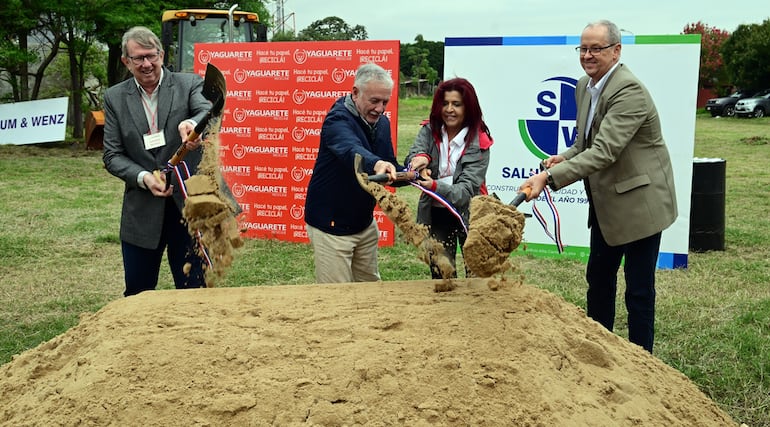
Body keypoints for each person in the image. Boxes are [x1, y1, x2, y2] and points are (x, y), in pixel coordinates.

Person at [519, 20, 677, 353]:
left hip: (640, 205)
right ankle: (600, 354)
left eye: (596, 48)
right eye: (583, 48)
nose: (588, 56)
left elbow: (605, 150)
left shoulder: (628, 90)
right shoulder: (583, 86)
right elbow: (585, 143)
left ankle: (642, 362)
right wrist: (562, 158)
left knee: (638, 290)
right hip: (607, 205)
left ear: (616, 50)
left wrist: (549, 178)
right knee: (599, 282)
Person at [102, 26, 211, 297]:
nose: (147, 64)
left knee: (195, 292)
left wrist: (191, 125)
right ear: (126, 61)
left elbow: (205, 110)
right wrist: (144, 177)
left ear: (162, 55)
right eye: (138, 58)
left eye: (152, 56)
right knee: (138, 294)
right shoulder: (114, 97)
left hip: (187, 208)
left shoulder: (189, 84)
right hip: (142, 211)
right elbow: (112, 155)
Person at [304, 62, 400, 283]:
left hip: (364, 224)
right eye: (374, 101)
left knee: (370, 291)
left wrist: (413, 172)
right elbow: (350, 149)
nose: (380, 108)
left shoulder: (382, 123)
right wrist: (377, 164)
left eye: (385, 102)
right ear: (355, 93)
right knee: (337, 300)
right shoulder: (337, 120)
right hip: (331, 228)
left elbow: (389, 164)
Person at [404, 78, 493, 279]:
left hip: (471, 212)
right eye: (445, 103)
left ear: (468, 108)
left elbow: (466, 191)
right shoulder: (428, 129)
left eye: (457, 104)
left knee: (477, 276)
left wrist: (434, 185)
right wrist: (420, 159)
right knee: (441, 274)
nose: (449, 109)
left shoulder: (481, 141)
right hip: (436, 213)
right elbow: (414, 154)